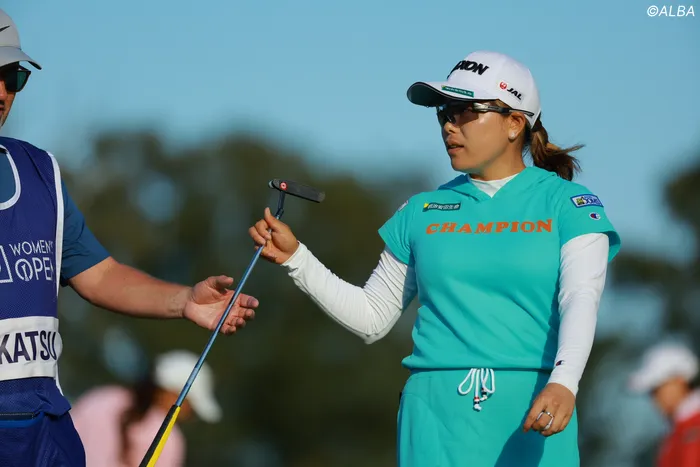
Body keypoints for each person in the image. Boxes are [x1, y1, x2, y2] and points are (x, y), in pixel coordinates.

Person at [248, 50, 621, 466]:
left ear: (515, 123)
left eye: (465, 112)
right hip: (433, 418)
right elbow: (372, 317)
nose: (449, 124)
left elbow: (580, 299)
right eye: (444, 112)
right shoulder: (420, 210)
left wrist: (565, 382)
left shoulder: (569, 204)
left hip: (535, 408)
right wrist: (297, 259)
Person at [0, 8, 258, 467]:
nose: (2, 92)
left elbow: (99, 276)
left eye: (12, 77)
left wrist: (184, 300)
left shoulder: (39, 173)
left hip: (43, 433)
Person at [70, 350, 222, 467]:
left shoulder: (101, 397)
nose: (190, 416)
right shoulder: (169, 440)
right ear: (171, 394)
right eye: (191, 407)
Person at [629, 342, 700, 467]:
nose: (654, 397)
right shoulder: (676, 432)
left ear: (679, 379)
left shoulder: (693, 427)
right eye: (651, 392)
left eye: (658, 388)